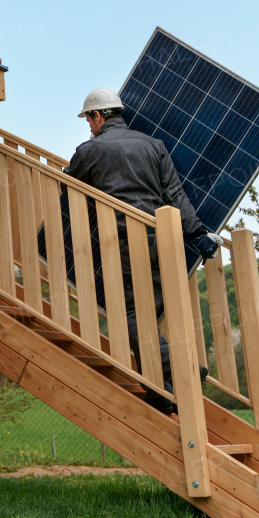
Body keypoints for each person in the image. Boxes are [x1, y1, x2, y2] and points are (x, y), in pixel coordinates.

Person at [64, 87, 222, 414]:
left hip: (121, 240)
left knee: (131, 314)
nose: (89, 128)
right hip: (160, 239)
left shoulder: (90, 150)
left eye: (89, 120)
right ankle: (159, 392)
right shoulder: (154, 145)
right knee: (148, 315)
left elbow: (70, 187)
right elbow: (175, 195)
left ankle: (182, 371)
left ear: (97, 116)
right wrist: (197, 233)